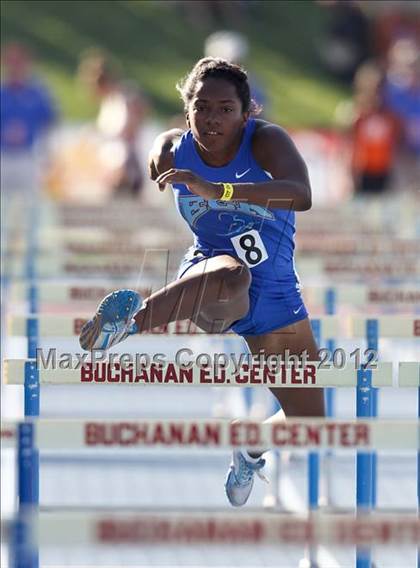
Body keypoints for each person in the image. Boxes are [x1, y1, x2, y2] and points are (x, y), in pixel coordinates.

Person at [79, 57, 324, 507]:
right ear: (187, 109)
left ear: (247, 112)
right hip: (208, 278)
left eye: (225, 108)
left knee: (312, 421)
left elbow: (302, 194)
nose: (213, 118)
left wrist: (221, 191)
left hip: (275, 294)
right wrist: (156, 164)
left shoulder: (266, 141)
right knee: (232, 274)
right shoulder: (174, 149)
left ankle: (250, 445)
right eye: (203, 107)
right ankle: (127, 324)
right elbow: (155, 160)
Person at [77, 49, 148, 198]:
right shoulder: (109, 103)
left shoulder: (123, 99)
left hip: (124, 170)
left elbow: (127, 132)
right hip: (112, 170)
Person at [1, 41, 57, 194]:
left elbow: (49, 122)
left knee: (29, 202)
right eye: (11, 61)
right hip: (3, 155)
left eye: (19, 61)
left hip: (27, 156)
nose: (15, 65)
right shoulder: (2, 92)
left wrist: (47, 154)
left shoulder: (38, 93)